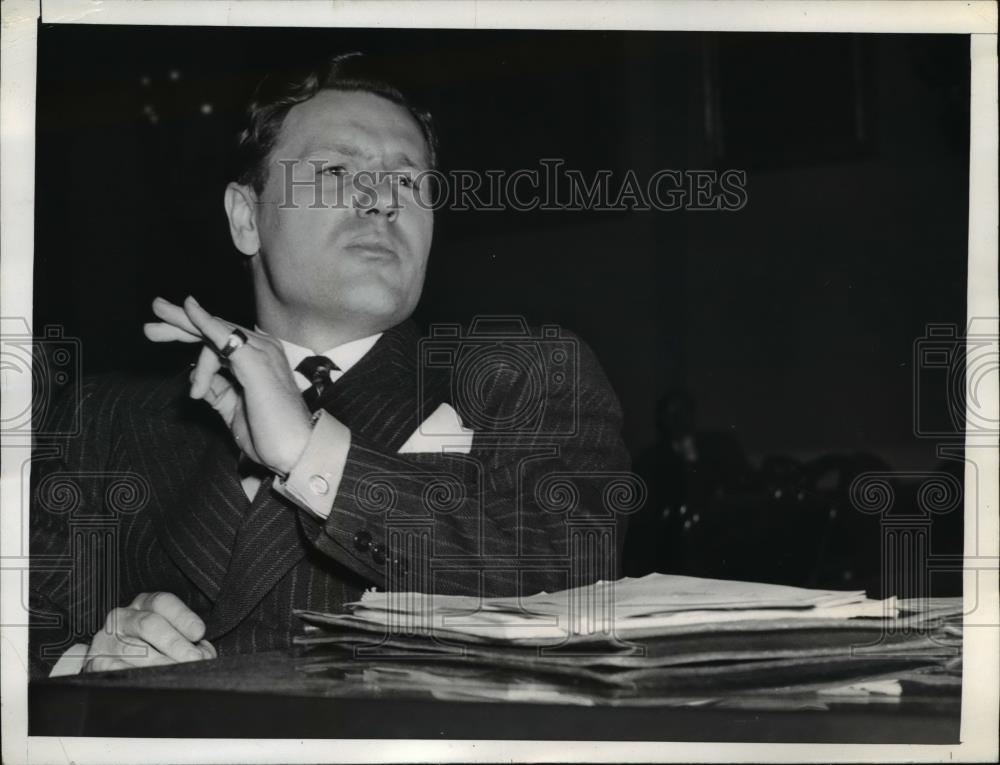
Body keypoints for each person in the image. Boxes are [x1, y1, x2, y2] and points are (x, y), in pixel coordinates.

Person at [29, 52, 633, 678]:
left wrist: (309, 452)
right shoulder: (106, 418)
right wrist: (82, 666)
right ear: (246, 219)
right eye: (337, 171)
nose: (381, 201)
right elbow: (24, 635)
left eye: (408, 180)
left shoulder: (524, 378)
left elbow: (569, 579)